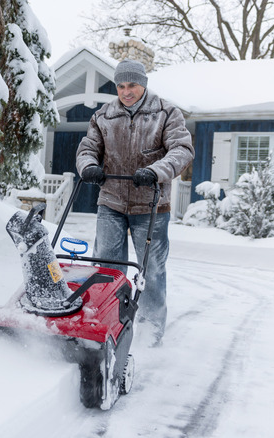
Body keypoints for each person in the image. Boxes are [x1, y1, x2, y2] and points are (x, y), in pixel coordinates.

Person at [75, 59, 194, 346]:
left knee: (151, 270)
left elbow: (182, 149)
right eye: (121, 86)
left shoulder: (166, 113)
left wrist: (155, 171)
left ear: (144, 84)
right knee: (107, 268)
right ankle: (105, 323)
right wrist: (88, 166)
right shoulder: (104, 115)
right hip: (111, 201)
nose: (126, 92)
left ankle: (151, 333)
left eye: (132, 85)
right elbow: (88, 148)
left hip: (151, 205)